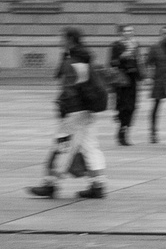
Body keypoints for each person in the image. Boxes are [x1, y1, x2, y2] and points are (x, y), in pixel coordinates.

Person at [28, 27, 108, 200]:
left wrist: (65, 108)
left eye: (62, 38)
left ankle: (51, 184)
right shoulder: (82, 58)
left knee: (62, 146)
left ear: (70, 39)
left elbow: (72, 88)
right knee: (90, 147)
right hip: (87, 111)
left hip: (75, 112)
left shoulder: (74, 61)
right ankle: (98, 185)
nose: (60, 41)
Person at [107, 25, 143, 146]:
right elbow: (112, 62)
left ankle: (125, 129)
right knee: (124, 106)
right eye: (126, 31)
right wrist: (123, 56)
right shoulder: (116, 45)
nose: (129, 33)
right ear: (121, 33)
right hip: (122, 80)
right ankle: (122, 132)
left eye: (131, 31)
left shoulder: (136, 44)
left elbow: (138, 61)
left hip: (132, 79)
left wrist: (141, 75)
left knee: (132, 107)